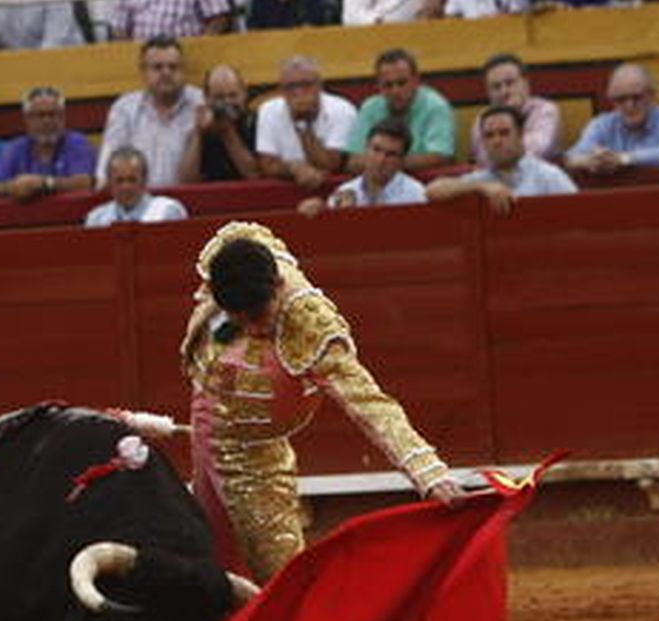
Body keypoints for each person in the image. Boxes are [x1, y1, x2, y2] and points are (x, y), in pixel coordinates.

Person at [184, 221, 463, 579]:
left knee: (281, 577)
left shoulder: (309, 322)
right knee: (209, 557)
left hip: (254, 456)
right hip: (204, 427)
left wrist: (428, 472)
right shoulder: (233, 259)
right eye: (240, 319)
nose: (254, 328)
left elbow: (368, 403)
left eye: (259, 316)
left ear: (278, 286)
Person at [97, 36, 205, 188]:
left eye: (173, 67)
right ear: (143, 71)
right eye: (157, 67)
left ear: (183, 70)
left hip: (192, 202)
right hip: (139, 204)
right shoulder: (124, 109)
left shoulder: (201, 104)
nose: (166, 73)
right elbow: (106, 168)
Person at [427, 103, 578, 210]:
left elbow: (577, 213)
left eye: (504, 133)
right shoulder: (481, 179)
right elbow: (431, 191)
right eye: (489, 136)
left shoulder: (548, 176)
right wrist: (482, 187)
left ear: (520, 136)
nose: (497, 141)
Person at [567, 62, 659, 183]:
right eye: (621, 99)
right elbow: (569, 158)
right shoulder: (601, 124)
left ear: (652, 95)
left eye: (637, 97)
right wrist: (589, 161)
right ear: (611, 101)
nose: (629, 105)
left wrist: (622, 159)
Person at [346, 47, 456, 174]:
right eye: (388, 85)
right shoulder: (370, 108)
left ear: (416, 81)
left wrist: (384, 162)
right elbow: (353, 162)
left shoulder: (436, 106)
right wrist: (392, 162)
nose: (395, 91)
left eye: (402, 83)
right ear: (377, 86)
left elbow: (440, 157)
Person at [0, 84, 97, 200]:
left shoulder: (77, 143)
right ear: (27, 119)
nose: (47, 121)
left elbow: (85, 183)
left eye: (52, 114)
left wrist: (44, 184)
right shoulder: (16, 148)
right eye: (40, 115)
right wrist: (10, 188)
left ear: (62, 116)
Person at [255, 54, 356, 187]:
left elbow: (331, 165)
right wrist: (294, 168)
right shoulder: (268, 110)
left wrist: (304, 124)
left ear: (320, 85)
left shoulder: (342, 110)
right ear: (281, 90)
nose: (299, 92)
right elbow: (267, 165)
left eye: (306, 85)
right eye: (291, 86)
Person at [301, 116, 427, 211]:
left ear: (402, 161)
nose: (381, 160)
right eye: (376, 150)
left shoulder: (416, 195)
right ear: (365, 149)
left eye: (391, 154)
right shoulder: (345, 191)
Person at [472, 53, 563, 166]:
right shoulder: (484, 118)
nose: (504, 92)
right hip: (495, 179)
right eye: (496, 87)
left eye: (510, 83)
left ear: (525, 83)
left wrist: (512, 115)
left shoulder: (545, 111)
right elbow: (484, 158)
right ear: (488, 92)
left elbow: (537, 151)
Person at [179, 63, 262, 182]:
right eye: (219, 97)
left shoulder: (257, 122)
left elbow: (255, 175)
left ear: (244, 94)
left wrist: (227, 133)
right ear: (206, 98)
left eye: (233, 95)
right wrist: (198, 134)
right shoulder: (202, 126)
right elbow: (186, 181)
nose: (226, 103)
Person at [85, 147, 190, 226]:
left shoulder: (168, 211)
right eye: (119, 180)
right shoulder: (96, 219)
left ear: (144, 180)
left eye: (132, 180)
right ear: (110, 183)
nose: (126, 187)